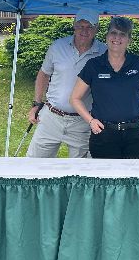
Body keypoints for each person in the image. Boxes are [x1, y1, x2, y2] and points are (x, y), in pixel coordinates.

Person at [70, 16, 139, 159]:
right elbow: (75, 98)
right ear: (106, 36)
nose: (117, 37)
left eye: (122, 34)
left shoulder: (138, 63)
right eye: (113, 33)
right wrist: (91, 121)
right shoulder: (94, 65)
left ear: (129, 40)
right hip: (103, 134)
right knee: (105, 174)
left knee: (134, 173)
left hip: (135, 134)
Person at [26, 9, 107, 158]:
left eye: (89, 27)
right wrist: (36, 104)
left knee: (81, 169)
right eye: (80, 26)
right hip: (51, 117)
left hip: (83, 122)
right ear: (74, 26)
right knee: (34, 163)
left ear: (97, 29)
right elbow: (44, 73)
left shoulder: (104, 52)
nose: (84, 31)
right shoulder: (57, 46)